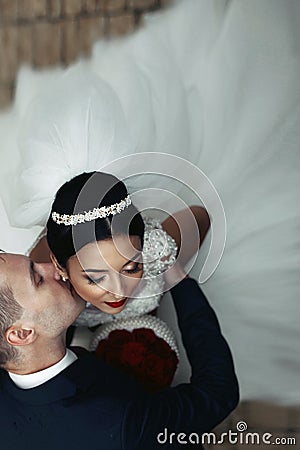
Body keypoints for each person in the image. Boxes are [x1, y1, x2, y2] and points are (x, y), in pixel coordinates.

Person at [0, 0, 300, 403]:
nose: (120, 288)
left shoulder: (154, 254)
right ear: (59, 269)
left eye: (131, 265)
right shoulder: (50, 293)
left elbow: (200, 216)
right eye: (94, 278)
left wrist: (165, 258)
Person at [0, 251, 239, 450]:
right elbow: (218, 393)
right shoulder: (116, 422)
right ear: (21, 334)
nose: (53, 267)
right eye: (37, 278)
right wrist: (179, 281)